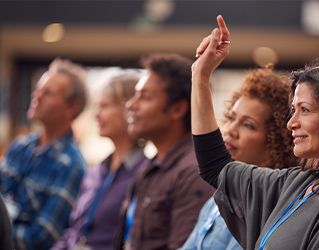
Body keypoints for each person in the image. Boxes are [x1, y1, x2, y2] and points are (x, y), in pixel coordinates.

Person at [191, 15, 319, 250]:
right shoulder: (297, 183)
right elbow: (215, 166)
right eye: (293, 110)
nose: (291, 123)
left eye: (305, 110)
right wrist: (200, 76)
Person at [181, 67, 297, 250]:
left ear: (277, 140)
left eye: (248, 125)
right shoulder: (216, 200)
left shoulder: (267, 207)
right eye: (230, 118)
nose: (230, 130)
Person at [115, 53, 214, 250]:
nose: (130, 105)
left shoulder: (193, 172)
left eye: (144, 97)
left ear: (177, 109)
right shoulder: (151, 166)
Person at [51, 72, 146, 250]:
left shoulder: (145, 174)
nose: (96, 115)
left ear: (129, 109)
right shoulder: (95, 172)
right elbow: (73, 231)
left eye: (105, 106)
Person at [0, 58, 88, 249]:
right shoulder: (19, 146)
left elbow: (40, 238)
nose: (36, 96)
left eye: (47, 93)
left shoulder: (72, 165)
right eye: (38, 89)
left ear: (71, 107)